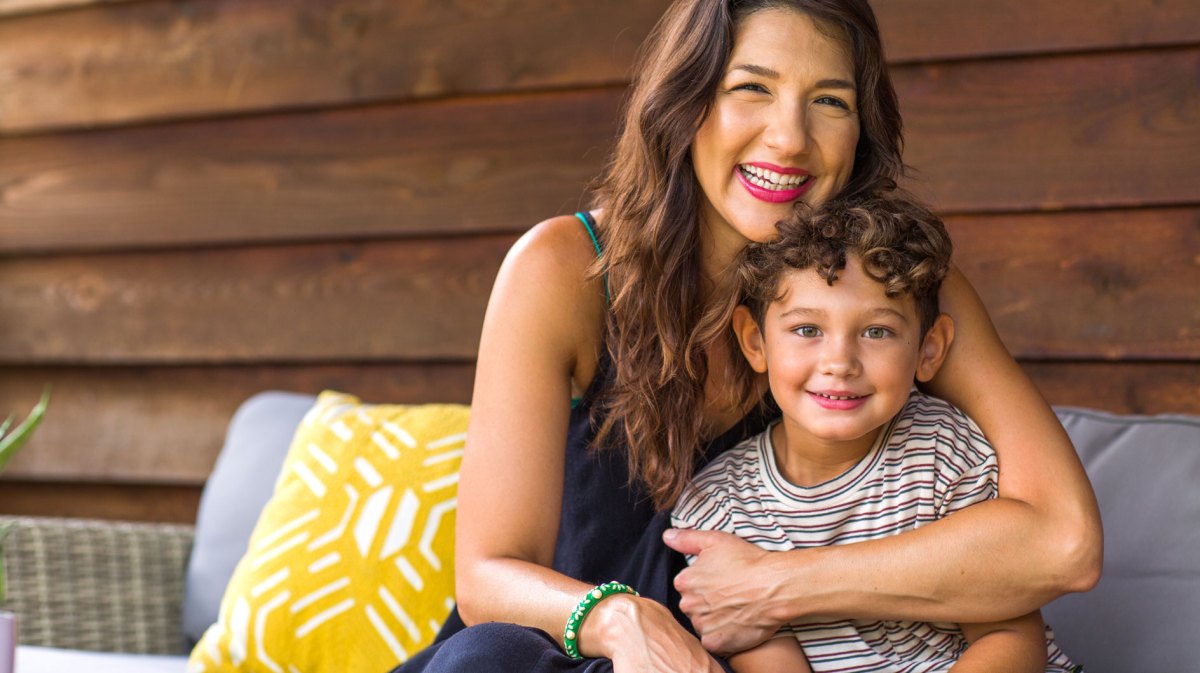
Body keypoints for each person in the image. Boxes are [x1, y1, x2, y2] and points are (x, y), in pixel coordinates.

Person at [391, 1, 1101, 672]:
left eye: (830, 100)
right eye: (751, 87)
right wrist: (623, 620)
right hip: (567, 647)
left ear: (861, 133)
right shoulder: (565, 269)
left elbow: (1066, 543)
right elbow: (487, 576)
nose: (790, 137)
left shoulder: (897, 290)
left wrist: (781, 585)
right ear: (686, 102)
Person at [672, 191, 1081, 673]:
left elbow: (1008, 634)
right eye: (807, 330)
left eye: (876, 332)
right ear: (755, 342)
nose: (840, 363)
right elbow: (758, 651)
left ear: (929, 349)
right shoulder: (719, 505)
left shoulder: (944, 452)